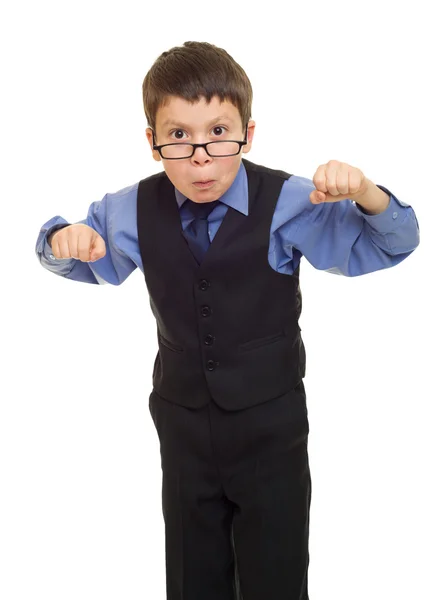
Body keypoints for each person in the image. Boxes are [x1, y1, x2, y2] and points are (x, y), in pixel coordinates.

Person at [35, 41, 420, 600]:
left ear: (248, 132)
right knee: (193, 574)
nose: (200, 158)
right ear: (152, 142)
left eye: (218, 133)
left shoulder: (289, 199)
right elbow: (75, 257)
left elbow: (394, 245)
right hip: (183, 424)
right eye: (178, 137)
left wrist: (366, 194)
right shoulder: (130, 210)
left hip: (271, 426)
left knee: (276, 571)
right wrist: (60, 241)